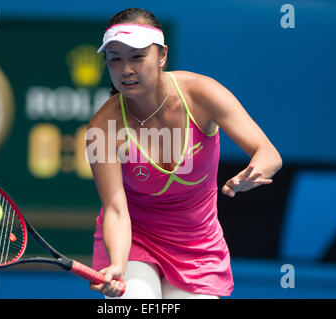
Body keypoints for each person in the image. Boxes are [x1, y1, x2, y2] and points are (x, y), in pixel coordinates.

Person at [86, 8, 282, 299]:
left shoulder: (203, 95)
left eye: (138, 57)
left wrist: (254, 173)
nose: (126, 69)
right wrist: (116, 264)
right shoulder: (103, 128)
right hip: (133, 239)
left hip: (197, 245)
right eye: (115, 59)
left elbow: (268, 154)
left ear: (162, 55)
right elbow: (116, 211)